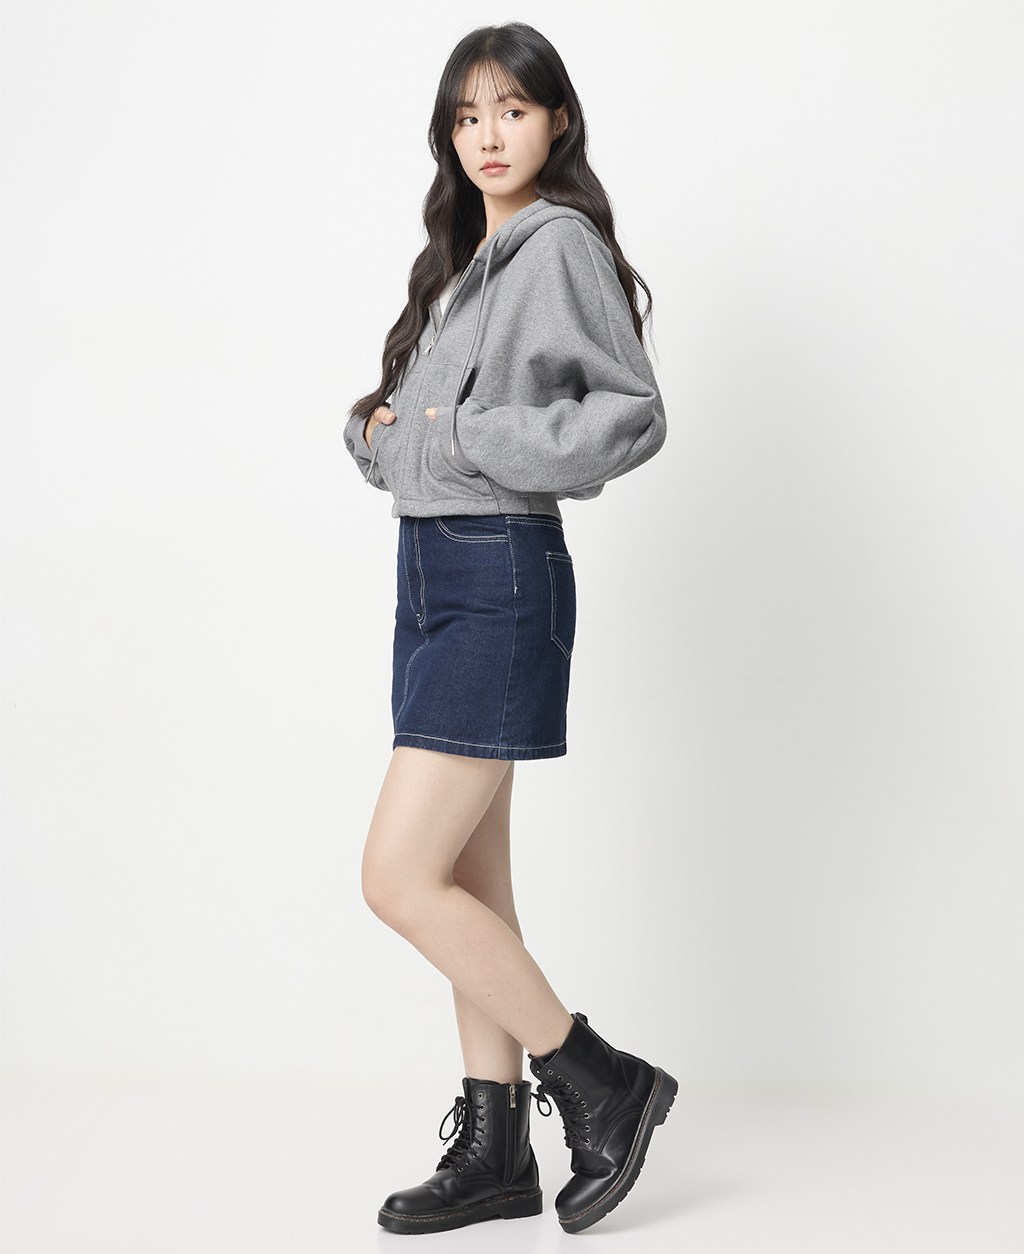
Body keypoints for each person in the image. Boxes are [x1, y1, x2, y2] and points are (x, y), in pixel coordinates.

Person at [343, 22, 674, 1236]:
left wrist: (465, 439)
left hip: (498, 574)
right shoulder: (464, 260)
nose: (489, 135)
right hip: (430, 573)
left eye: (513, 110)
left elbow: (630, 412)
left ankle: (600, 1080)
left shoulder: (559, 245)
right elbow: (416, 423)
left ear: (556, 121)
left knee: (397, 877)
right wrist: (377, 431)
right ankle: (495, 1152)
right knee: (469, 881)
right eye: (468, 115)